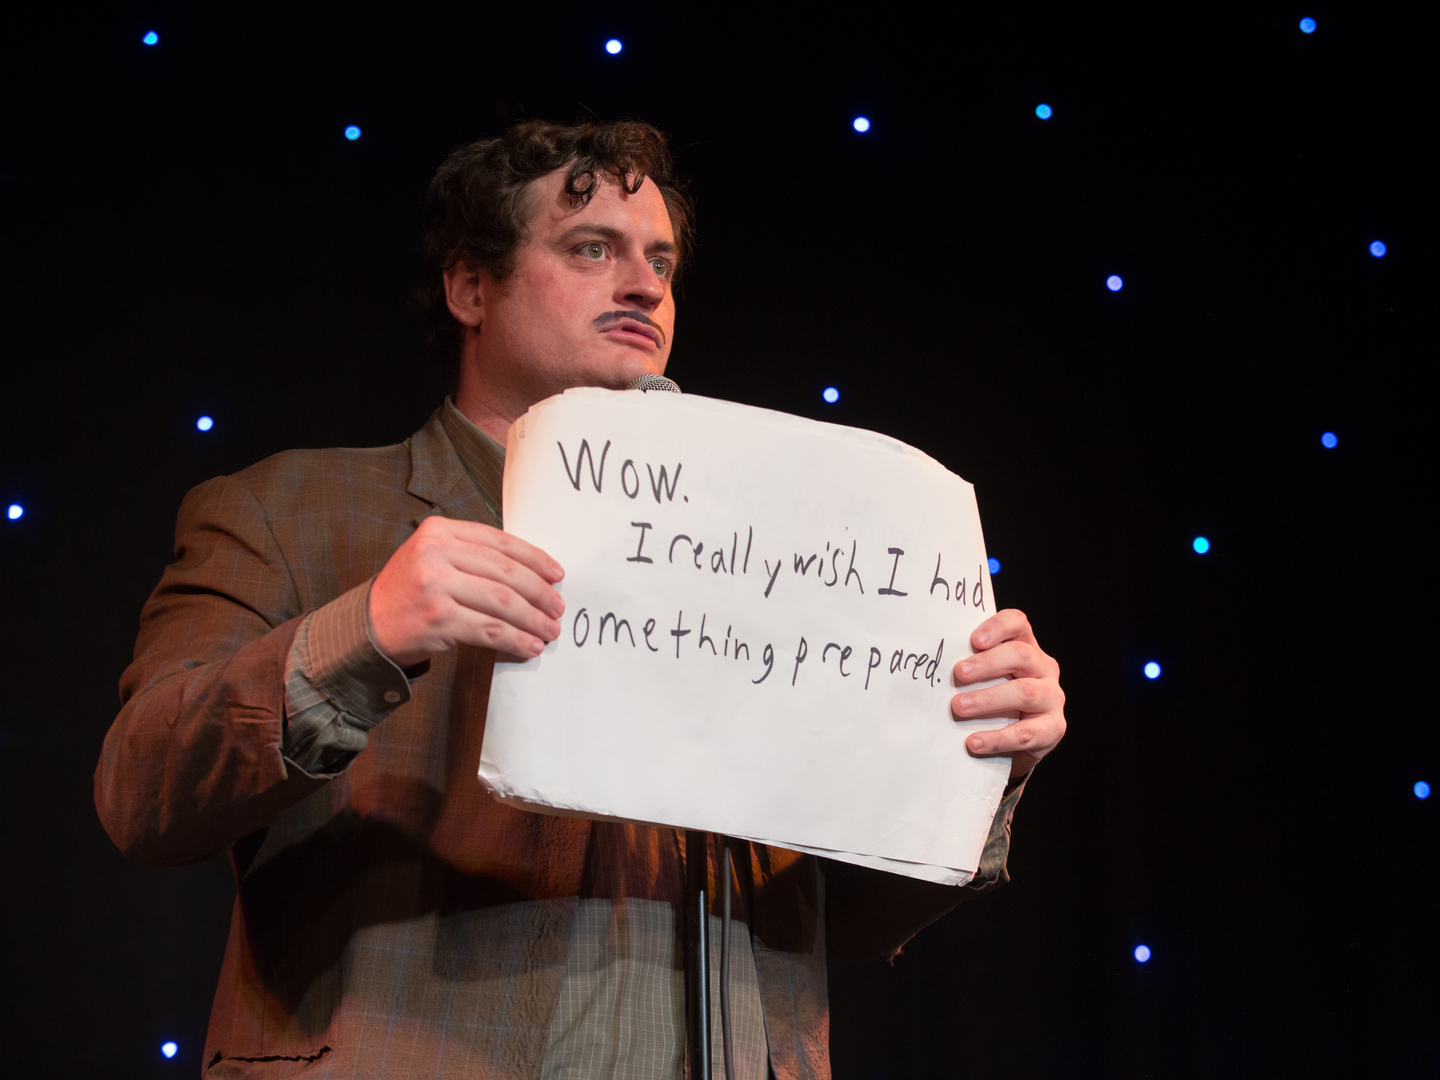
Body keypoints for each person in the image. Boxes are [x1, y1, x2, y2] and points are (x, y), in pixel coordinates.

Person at [95, 120, 1067, 1079]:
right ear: (471, 285)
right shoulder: (288, 509)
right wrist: (367, 632)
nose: (644, 284)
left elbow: (844, 925)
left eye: (662, 260)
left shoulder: (773, 551)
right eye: (591, 248)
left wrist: (978, 759)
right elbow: (141, 795)